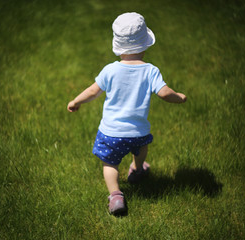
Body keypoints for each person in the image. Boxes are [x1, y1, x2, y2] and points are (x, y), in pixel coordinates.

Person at [67, 12, 186, 215]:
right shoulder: (151, 71)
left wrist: (76, 100)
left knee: (110, 163)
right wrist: (180, 97)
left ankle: (115, 195)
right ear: (145, 44)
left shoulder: (110, 70)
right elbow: (165, 93)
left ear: (117, 45)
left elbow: (93, 91)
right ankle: (137, 170)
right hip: (138, 133)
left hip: (111, 132)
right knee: (140, 151)